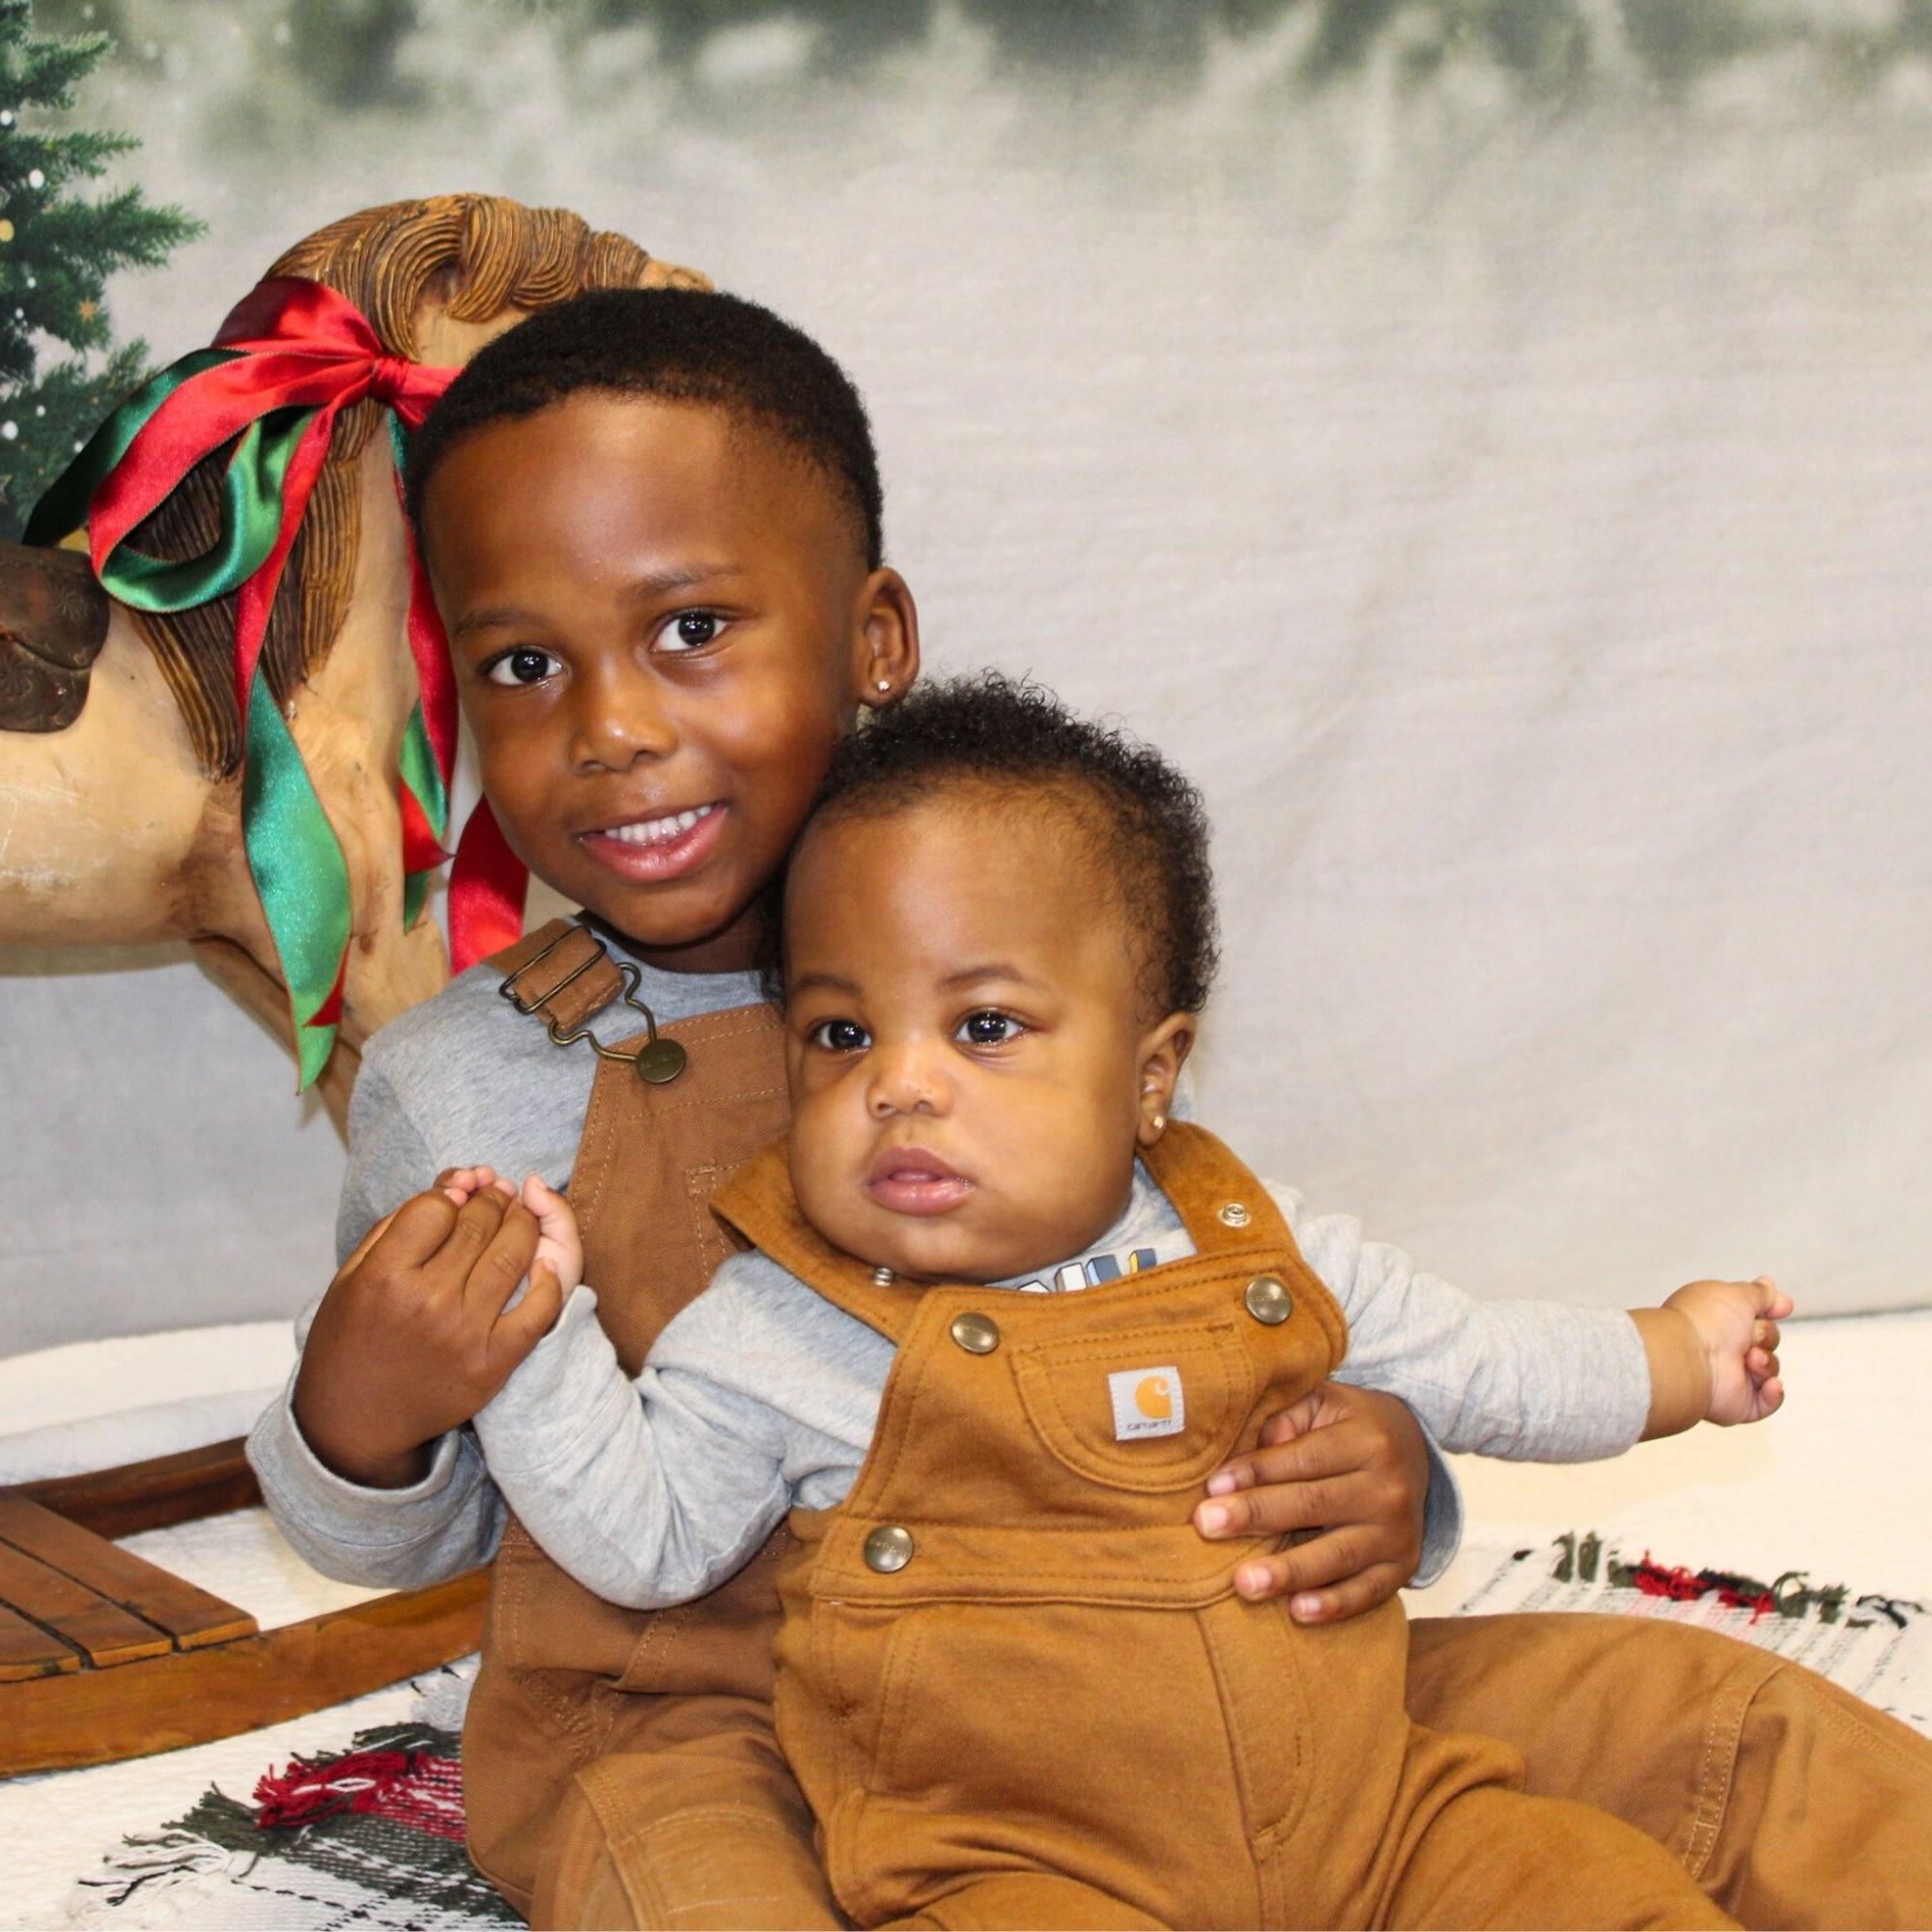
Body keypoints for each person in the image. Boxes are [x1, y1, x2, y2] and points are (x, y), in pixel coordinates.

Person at [247, 288, 1932, 1929]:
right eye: (523, 663)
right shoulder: (463, 1085)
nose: (610, 728)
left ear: (874, 639)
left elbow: (1230, 1317)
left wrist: (1388, 1480)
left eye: (691, 630)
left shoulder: (1046, 918)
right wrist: (359, 1413)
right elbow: (444, 1529)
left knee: (1715, 1730)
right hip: (695, 1721)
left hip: (1154, 1691)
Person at [450, 673, 1797, 1928]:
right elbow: (648, 1539)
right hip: (1020, 1869)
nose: (897, 1084)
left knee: (1589, 1892)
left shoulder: (1253, 1248)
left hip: (1379, 1826)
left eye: (984, 1027)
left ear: (1152, 1075)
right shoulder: (784, 1317)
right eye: (841, 1034)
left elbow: (1483, 1363)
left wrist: (1677, 1355)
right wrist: (528, 1336)